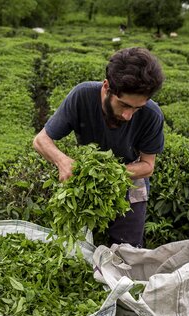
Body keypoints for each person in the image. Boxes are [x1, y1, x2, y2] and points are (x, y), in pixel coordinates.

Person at [32, 47, 165, 248]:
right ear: (106, 87)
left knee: (126, 249)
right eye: (124, 105)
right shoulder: (82, 96)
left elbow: (148, 165)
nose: (129, 116)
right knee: (73, 245)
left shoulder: (152, 115)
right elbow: (41, 140)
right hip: (85, 177)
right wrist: (63, 161)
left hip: (130, 177)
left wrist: (109, 173)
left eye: (137, 108)